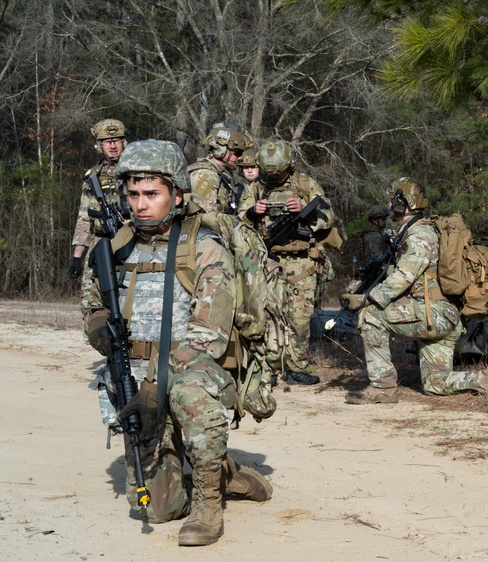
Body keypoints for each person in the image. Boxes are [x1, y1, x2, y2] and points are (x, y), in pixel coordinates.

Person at [82, 139, 271, 546]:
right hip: (136, 380)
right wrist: (98, 325)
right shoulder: (114, 247)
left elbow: (208, 336)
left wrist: (157, 383)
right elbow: (90, 301)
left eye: (151, 193)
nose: (140, 204)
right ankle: (223, 469)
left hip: (191, 371)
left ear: (178, 194)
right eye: (133, 194)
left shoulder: (204, 248)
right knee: (156, 509)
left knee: (189, 391)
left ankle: (209, 499)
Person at [344, 177, 488, 404]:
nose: (387, 207)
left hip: (435, 314)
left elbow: (403, 278)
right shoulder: (418, 232)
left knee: (371, 315)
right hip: (441, 316)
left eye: (390, 202)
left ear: (403, 203)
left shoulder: (419, 236)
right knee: (437, 384)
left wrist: (368, 299)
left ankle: (382, 387)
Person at [239, 139, 334, 385]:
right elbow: (238, 224)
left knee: (300, 321)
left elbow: (328, 218)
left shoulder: (305, 184)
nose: (275, 177)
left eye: (278, 172)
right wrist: (252, 213)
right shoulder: (255, 190)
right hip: (268, 262)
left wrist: (306, 210)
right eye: (270, 173)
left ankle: (296, 367)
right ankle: (267, 370)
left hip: (302, 263)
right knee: (268, 319)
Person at [69, 118, 128, 304]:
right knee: (90, 302)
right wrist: (77, 257)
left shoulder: (135, 172)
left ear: (124, 142)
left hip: (129, 241)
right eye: (107, 142)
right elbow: (84, 218)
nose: (112, 146)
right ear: (99, 145)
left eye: (117, 140)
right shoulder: (92, 177)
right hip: (99, 243)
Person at [188, 122, 251, 214]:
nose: (240, 157)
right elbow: (204, 216)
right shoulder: (206, 175)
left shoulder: (219, 174)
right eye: (237, 153)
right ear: (221, 150)